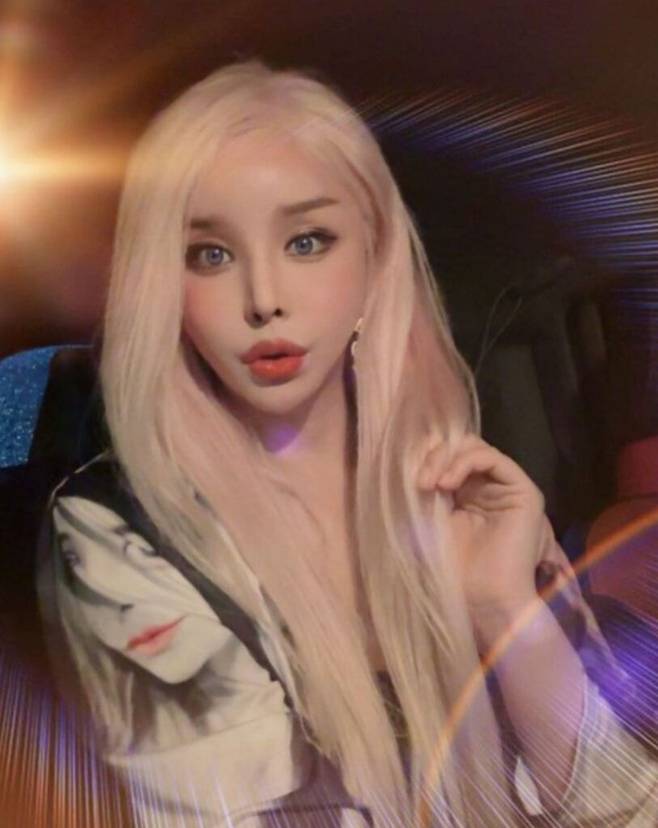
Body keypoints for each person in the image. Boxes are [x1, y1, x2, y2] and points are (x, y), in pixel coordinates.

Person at [36, 58, 658, 827]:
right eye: (211, 255)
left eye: (307, 241)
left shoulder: (460, 485)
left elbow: (628, 807)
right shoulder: (116, 530)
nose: (264, 300)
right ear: (164, 285)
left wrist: (503, 609)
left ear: (374, 261)